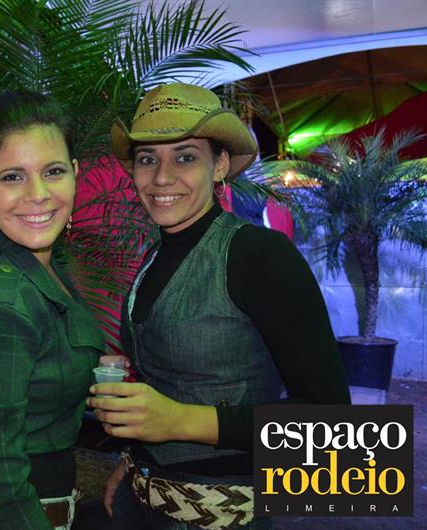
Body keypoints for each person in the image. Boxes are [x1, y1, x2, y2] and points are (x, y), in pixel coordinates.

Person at [87, 83, 350, 529]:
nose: (162, 178)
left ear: (220, 164)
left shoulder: (259, 255)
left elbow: (330, 422)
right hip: (142, 497)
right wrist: (134, 465)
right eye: (148, 159)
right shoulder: (156, 253)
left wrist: (180, 422)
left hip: (224, 513)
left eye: (185, 157)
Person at [0, 91, 105, 530]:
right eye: (13, 177)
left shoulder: (32, 259)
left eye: (53, 172)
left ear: (75, 173)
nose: (39, 194)